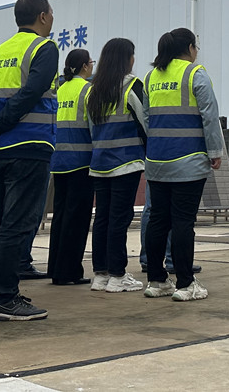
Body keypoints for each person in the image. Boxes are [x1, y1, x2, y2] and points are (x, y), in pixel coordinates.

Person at [0, 0, 58, 322]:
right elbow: (31, 92)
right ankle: (6, 298)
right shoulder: (44, 48)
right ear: (43, 16)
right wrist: (1, 124)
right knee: (15, 225)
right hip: (28, 146)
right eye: (51, 13)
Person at [142, 27, 223, 302]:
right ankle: (186, 283)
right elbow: (209, 116)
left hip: (157, 161)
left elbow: (147, 118)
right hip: (188, 161)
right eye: (196, 46)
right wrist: (215, 151)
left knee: (158, 220)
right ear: (189, 48)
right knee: (183, 222)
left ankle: (156, 280)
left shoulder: (151, 77)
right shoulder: (195, 73)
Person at [87, 37, 146, 294]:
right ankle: (118, 274)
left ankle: (100, 274)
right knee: (119, 219)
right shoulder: (132, 85)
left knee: (102, 218)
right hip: (126, 162)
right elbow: (145, 122)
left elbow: (91, 127)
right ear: (127, 59)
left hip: (100, 162)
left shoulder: (95, 90)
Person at [46, 49, 94, 286]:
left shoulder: (60, 89)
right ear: (85, 66)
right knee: (77, 220)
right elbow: (93, 125)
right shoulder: (87, 90)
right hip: (81, 161)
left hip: (59, 161)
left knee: (60, 217)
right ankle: (70, 271)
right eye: (91, 62)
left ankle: (55, 268)